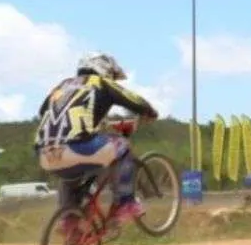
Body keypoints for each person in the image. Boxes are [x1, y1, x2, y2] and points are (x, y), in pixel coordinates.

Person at [34, 52, 159, 229]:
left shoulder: (61, 87)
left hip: (44, 153)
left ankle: (69, 220)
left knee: (70, 174)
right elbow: (134, 100)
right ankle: (125, 203)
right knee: (121, 146)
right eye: (112, 75)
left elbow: (42, 112)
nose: (113, 78)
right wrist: (150, 112)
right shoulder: (100, 82)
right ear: (104, 68)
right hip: (78, 146)